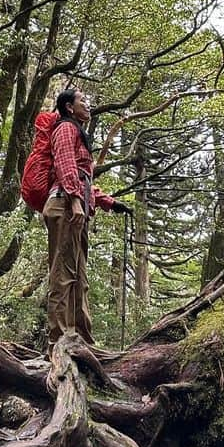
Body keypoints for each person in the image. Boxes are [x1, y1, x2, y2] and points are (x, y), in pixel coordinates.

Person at [43, 87, 131, 346]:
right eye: (83, 100)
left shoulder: (78, 132)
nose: (88, 104)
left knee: (79, 279)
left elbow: (84, 178)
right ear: (69, 107)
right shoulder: (66, 129)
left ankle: (82, 342)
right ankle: (58, 345)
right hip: (65, 205)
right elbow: (65, 164)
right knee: (62, 275)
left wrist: (110, 203)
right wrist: (74, 201)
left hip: (74, 205)